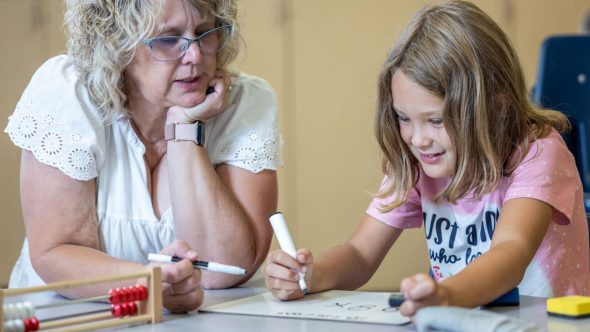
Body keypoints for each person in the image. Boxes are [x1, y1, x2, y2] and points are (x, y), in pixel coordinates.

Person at [263, 0, 590, 317]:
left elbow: (511, 253)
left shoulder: (537, 151)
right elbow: (360, 254)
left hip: (553, 324)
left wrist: (445, 294)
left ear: (497, 108)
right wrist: (310, 276)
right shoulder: (419, 158)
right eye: (404, 118)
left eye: (436, 120)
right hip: (467, 320)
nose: (418, 139)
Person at [4, 0, 281, 313]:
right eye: (167, 39)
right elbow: (55, 252)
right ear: (117, 45)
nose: (195, 55)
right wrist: (146, 283)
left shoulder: (244, 101)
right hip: (57, 316)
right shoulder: (68, 91)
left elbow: (221, 269)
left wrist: (184, 130)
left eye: (204, 33)